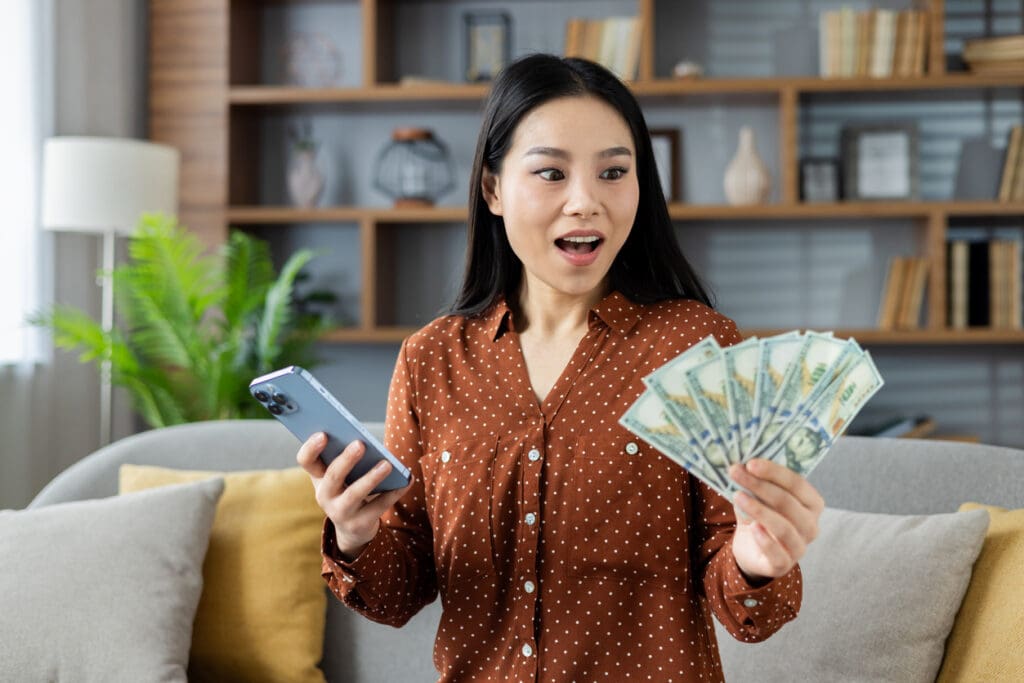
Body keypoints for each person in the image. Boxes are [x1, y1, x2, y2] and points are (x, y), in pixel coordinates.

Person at [297, 53, 825, 682]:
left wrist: (757, 559)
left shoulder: (696, 346)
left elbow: (749, 611)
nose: (585, 202)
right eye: (551, 172)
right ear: (493, 189)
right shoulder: (431, 359)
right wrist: (354, 534)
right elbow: (397, 593)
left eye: (613, 172)